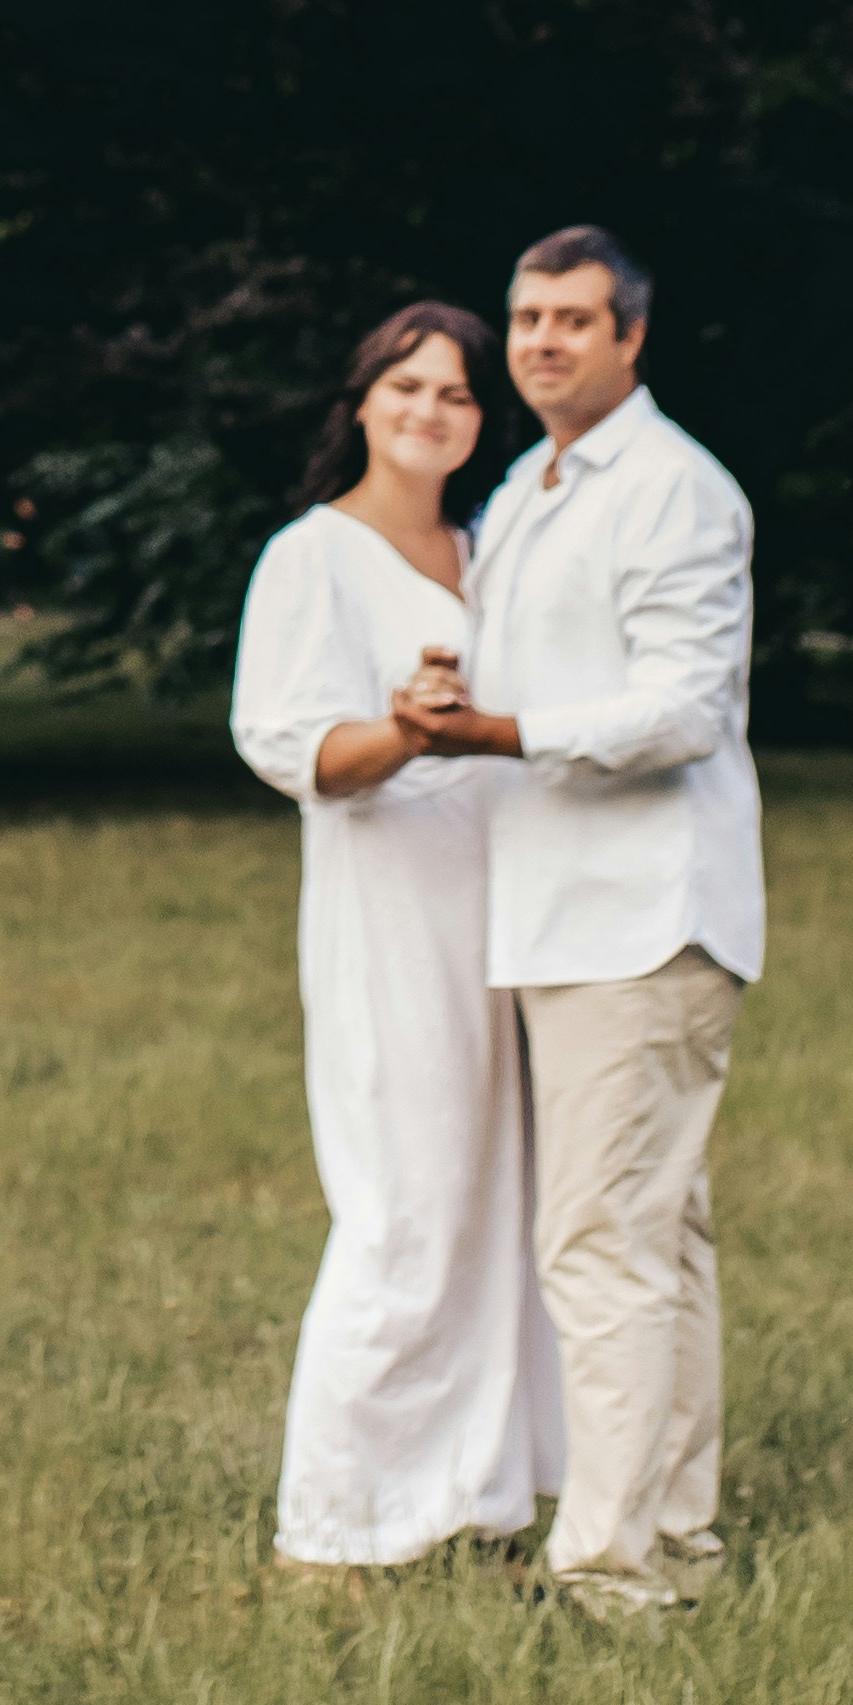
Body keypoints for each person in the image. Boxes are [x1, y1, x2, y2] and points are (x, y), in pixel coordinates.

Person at [430, 230, 764, 1623]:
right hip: (563, 913)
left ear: (633, 338)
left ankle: (615, 1572)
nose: (544, 341)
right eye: (526, 318)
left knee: (602, 1243)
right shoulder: (526, 482)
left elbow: (687, 708)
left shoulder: (675, 491)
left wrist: (502, 731)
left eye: (574, 319)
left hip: (641, 921)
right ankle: (670, 1540)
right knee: (655, 1238)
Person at [226, 301, 562, 1577]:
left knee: (509, 1203)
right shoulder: (313, 557)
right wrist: (408, 733)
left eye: (458, 395)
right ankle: (339, 1521)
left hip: (518, 904)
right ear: (361, 400)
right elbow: (290, 747)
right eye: (406, 386)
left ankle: (478, 1493)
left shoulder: (491, 550)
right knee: (404, 1205)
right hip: (391, 907)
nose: (431, 412)